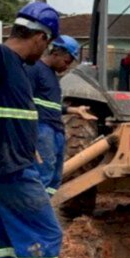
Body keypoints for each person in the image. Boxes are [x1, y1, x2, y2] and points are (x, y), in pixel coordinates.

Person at [0, 2, 80, 258]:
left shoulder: (13, 66)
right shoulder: (1, 57)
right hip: (13, 170)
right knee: (45, 234)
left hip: (6, 167)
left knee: (2, 241)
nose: (48, 50)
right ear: (41, 37)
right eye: (48, 42)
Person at [27, 34, 80, 197]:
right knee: (43, 175)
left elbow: (51, 106)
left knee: (54, 179)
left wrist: (73, 110)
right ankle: (34, 214)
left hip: (55, 129)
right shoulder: (34, 70)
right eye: (67, 61)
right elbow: (26, 101)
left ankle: (45, 208)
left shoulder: (52, 75)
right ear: (56, 53)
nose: (67, 66)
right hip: (42, 129)